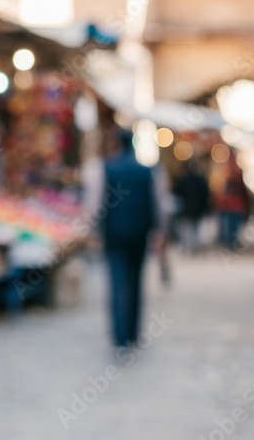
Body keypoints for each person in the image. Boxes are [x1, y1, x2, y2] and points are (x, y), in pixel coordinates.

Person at [86, 128, 164, 349]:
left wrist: (93, 230)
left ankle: (119, 334)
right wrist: (159, 231)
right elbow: (159, 203)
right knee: (136, 283)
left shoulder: (106, 168)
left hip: (113, 235)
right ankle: (133, 333)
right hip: (140, 234)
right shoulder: (147, 170)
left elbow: (96, 203)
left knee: (117, 282)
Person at [172, 159, 211, 254]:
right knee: (196, 227)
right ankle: (195, 246)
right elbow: (205, 194)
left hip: (186, 207)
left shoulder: (182, 180)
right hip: (197, 208)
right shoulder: (200, 179)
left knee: (187, 228)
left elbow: (176, 193)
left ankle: (189, 247)